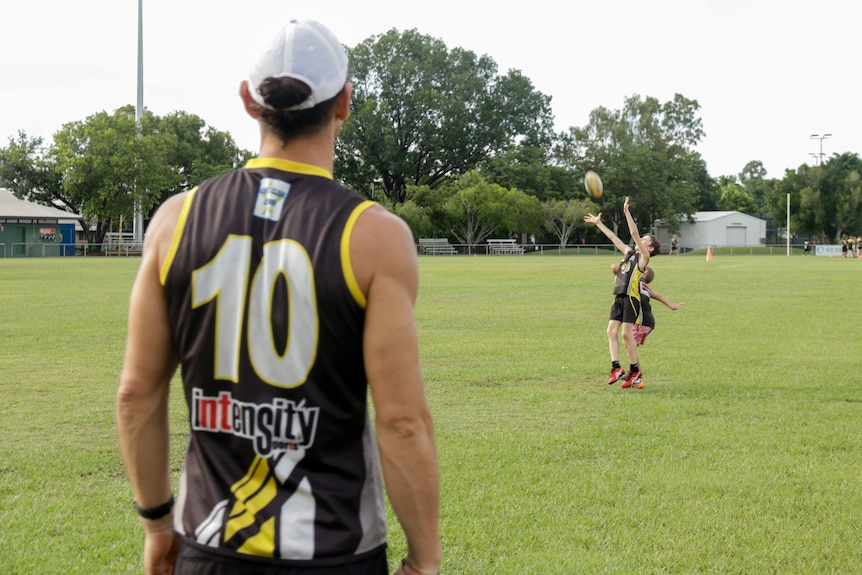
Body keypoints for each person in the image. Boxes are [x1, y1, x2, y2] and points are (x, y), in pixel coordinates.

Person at [116, 19, 441, 575]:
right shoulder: (375, 236)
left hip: (209, 546)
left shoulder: (175, 220)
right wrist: (425, 559)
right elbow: (402, 421)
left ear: (248, 100)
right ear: (344, 102)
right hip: (335, 552)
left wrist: (156, 524)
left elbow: (137, 395)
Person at [585, 197, 660, 389]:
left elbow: (634, 232)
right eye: (642, 238)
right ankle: (616, 368)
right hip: (618, 298)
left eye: (645, 240)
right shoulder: (628, 253)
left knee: (626, 336)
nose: (640, 240)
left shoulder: (644, 257)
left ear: (650, 248)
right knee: (611, 331)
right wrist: (599, 223)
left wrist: (626, 212)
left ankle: (635, 371)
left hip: (632, 300)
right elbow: (613, 238)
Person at [630, 266, 685, 346]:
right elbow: (658, 296)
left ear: (645, 272)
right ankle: (633, 358)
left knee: (632, 345)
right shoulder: (644, 285)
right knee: (631, 345)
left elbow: (615, 268)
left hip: (643, 321)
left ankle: (633, 358)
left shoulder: (638, 281)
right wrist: (672, 306)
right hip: (645, 320)